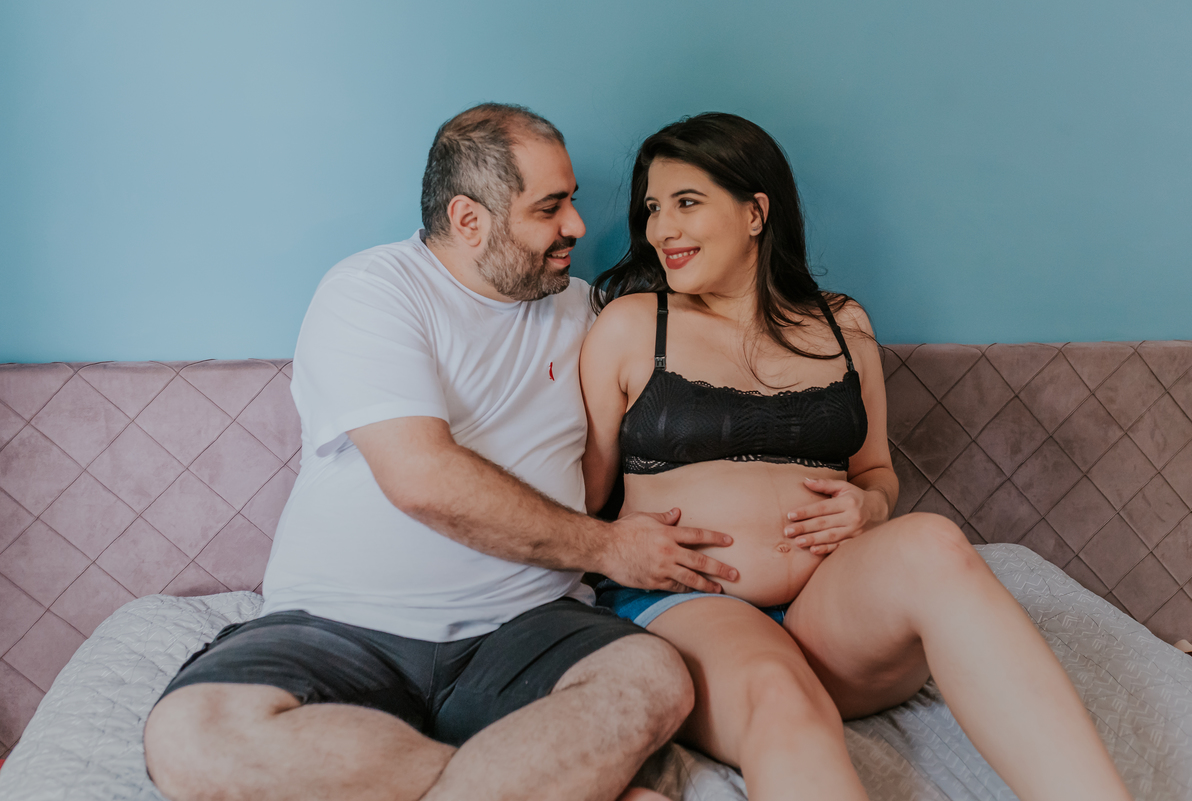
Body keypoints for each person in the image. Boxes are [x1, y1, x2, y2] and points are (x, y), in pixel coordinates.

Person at [142, 103, 740, 801]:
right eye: (551, 209)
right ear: (468, 220)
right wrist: (609, 548)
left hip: (528, 627)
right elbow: (422, 477)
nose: (577, 226)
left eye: (571, 202)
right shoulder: (372, 292)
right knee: (193, 735)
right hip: (343, 624)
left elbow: (718, 381)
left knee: (653, 682)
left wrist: (860, 485)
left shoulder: (588, 311)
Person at [581, 112, 1133, 801]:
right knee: (779, 691)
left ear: (755, 212)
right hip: (695, 605)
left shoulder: (843, 325)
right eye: (653, 209)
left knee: (935, 540)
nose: (663, 229)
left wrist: (870, 504)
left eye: (687, 203)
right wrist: (614, 541)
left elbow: (877, 472)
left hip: (832, 614)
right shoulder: (632, 326)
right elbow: (585, 500)